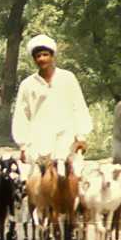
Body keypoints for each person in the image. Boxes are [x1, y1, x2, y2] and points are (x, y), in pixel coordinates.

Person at [12, 34, 93, 163]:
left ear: (52, 56)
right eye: (38, 56)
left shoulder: (67, 78)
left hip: (66, 141)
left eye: (45, 55)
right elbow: (21, 116)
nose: (42, 59)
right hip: (39, 143)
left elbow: (78, 106)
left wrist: (81, 136)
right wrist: (23, 146)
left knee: (73, 180)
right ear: (34, 60)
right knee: (37, 181)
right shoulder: (27, 84)